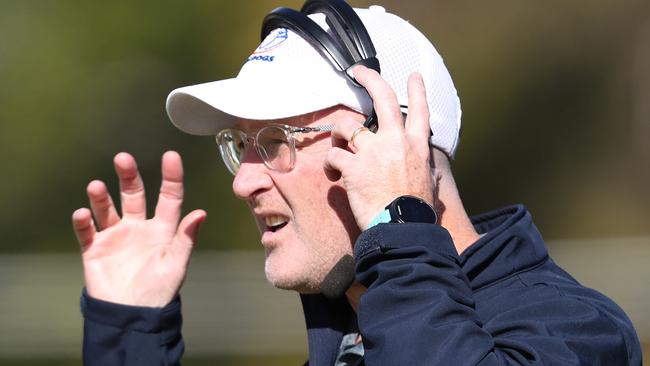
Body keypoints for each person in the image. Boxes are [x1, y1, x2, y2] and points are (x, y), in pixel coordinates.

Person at [72, 2, 642, 365]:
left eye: (275, 141)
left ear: (390, 143)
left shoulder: (576, 334)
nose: (244, 181)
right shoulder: (351, 341)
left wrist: (400, 226)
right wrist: (132, 334)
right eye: (241, 147)